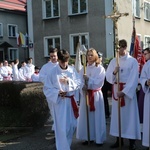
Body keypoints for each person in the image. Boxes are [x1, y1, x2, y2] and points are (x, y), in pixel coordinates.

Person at [106, 39, 141, 150]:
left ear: (125, 47)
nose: (118, 50)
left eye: (119, 48)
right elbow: (109, 78)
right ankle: (118, 139)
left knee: (130, 117)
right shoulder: (113, 61)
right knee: (117, 117)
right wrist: (114, 72)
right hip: (117, 90)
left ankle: (132, 141)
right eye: (116, 48)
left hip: (127, 92)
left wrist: (125, 92)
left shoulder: (132, 61)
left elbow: (134, 78)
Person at [43, 49, 81, 150]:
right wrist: (58, 93)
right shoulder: (52, 72)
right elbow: (47, 88)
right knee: (62, 129)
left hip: (70, 101)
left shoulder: (72, 70)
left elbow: (79, 83)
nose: (64, 64)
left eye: (66, 61)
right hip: (60, 103)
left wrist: (68, 81)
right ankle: (63, 148)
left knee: (71, 126)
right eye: (62, 62)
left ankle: (66, 146)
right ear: (58, 60)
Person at [76, 48, 106, 146]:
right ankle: (87, 136)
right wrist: (82, 86)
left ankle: (98, 138)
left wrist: (89, 80)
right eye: (88, 55)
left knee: (96, 117)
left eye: (91, 55)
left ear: (95, 56)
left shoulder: (100, 68)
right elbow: (79, 80)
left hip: (95, 95)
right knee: (86, 116)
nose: (89, 57)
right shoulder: (84, 68)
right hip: (86, 95)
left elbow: (99, 82)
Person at [39, 48, 58, 130]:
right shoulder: (45, 67)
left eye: (54, 56)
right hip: (50, 91)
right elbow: (41, 77)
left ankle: (59, 125)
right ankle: (55, 126)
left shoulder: (61, 65)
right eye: (51, 56)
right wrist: (50, 80)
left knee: (59, 109)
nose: (53, 58)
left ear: (57, 56)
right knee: (52, 109)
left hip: (59, 91)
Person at [140, 47, 150, 150]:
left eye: (146, 54)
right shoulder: (147, 65)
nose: (145, 56)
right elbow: (142, 78)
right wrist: (146, 82)